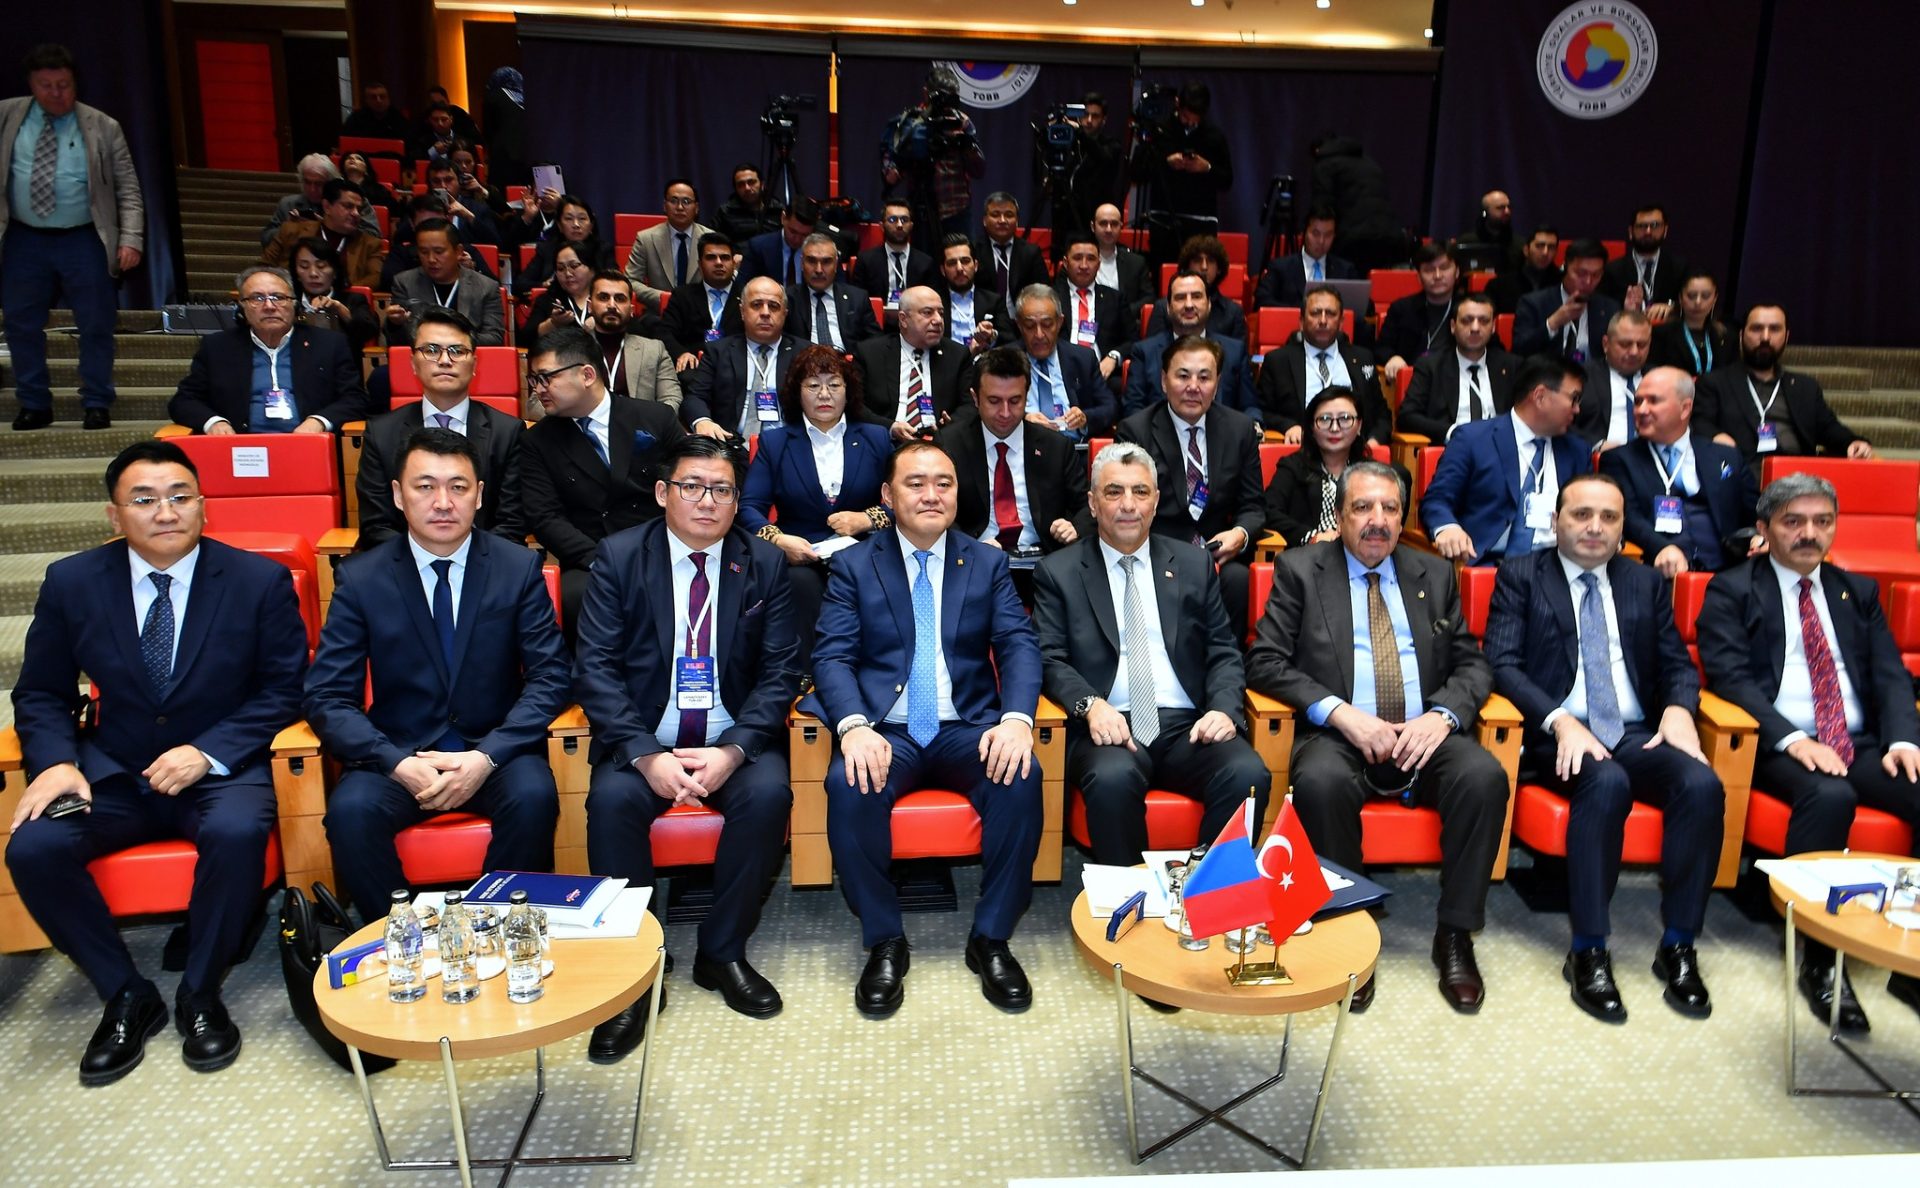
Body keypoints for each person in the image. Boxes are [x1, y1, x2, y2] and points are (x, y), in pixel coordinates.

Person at [7, 440, 306, 1084]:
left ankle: (201, 992)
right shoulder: (73, 581)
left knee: (236, 832)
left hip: (220, 770)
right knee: (32, 848)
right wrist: (56, 761)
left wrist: (208, 751)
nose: (165, 512)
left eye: (180, 497)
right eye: (144, 500)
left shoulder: (257, 580)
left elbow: (284, 688)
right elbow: (39, 691)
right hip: (112, 770)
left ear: (204, 507)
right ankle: (124, 993)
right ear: (115, 516)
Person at [1246, 459, 1506, 1013]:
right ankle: (1351, 935)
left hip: (1422, 731)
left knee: (1484, 776)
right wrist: (1340, 713)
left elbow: (1472, 666)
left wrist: (1441, 717)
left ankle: (1456, 933)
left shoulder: (1433, 573)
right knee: (1318, 781)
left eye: (1390, 508)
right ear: (1339, 516)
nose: (1377, 521)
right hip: (1342, 731)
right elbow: (1265, 661)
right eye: (1362, 507)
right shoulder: (1299, 569)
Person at [805, 440, 1044, 1016]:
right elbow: (831, 656)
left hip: (967, 726)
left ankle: (990, 937)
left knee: (1022, 775)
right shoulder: (853, 563)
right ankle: (885, 938)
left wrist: (1016, 719)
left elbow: (1017, 644)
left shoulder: (985, 561)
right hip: (887, 729)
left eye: (944, 482)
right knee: (849, 782)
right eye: (916, 483)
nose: (932, 494)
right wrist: (854, 726)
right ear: (888, 496)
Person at [576, 435, 801, 1047]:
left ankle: (721, 952)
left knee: (768, 796)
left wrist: (733, 750)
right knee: (612, 803)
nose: (707, 501)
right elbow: (594, 668)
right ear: (662, 493)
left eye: (722, 490)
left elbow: (781, 672)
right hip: (644, 736)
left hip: (732, 737)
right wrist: (646, 755)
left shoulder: (764, 564)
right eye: (692, 487)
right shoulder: (620, 557)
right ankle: (639, 970)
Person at [1484, 473, 1724, 1024]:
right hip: (1559, 737)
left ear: (1622, 529)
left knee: (1702, 784)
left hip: (1635, 732)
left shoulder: (1642, 582)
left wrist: (1681, 710)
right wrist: (1559, 720)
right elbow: (1502, 665)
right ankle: (1588, 948)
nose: (1595, 527)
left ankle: (1679, 945)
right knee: (1607, 779)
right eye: (1581, 514)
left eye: (1609, 518)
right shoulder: (1521, 575)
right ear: (1556, 521)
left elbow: (1675, 665)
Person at [307, 428, 568, 924]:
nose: (443, 502)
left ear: (480, 495)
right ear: (398, 496)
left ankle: (493, 928)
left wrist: (487, 756)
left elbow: (550, 675)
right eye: (425, 487)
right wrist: (395, 761)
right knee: (350, 813)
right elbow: (327, 696)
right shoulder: (362, 577)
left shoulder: (516, 567)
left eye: (458, 487)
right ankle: (401, 937)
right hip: (398, 753)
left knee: (534, 795)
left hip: (495, 750)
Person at [1696, 472, 1920, 1031]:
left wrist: (1902, 739)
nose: (1809, 534)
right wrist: (1796, 741)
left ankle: (1909, 963)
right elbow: (1730, 679)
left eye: (1822, 522)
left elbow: (1890, 674)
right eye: (1794, 522)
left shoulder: (1858, 591)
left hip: (1859, 739)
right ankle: (1820, 962)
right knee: (1829, 794)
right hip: (1780, 740)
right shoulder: (1732, 589)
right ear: (1766, 527)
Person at [1035, 439, 1269, 866]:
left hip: (1188, 726)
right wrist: (1090, 706)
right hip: (1107, 723)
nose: (1128, 505)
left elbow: (1223, 650)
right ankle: (1127, 905)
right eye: (1113, 492)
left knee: (1248, 773)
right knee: (1112, 777)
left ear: (1156, 501)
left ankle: (1210, 896)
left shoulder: (1194, 564)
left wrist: (1222, 710)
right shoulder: (1059, 571)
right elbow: (1049, 658)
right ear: (1091, 503)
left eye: (1140, 492)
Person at [2, 43, 144, 433]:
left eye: (63, 84)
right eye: (45, 85)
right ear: (31, 85)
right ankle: (33, 403)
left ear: (74, 82)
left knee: (96, 323)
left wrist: (130, 238)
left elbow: (127, 189)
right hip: (23, 238)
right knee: (20, 323)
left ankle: (96, 401)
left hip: (84, 238)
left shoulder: (103, 125)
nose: (56, 93)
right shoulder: (6, 115)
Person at [518, 326, 685, 627]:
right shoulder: (537, 441)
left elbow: (687, 485)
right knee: (573, 597)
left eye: (547, 378)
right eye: (533, 380)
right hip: (591, 558)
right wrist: (600, 560)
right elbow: (544, 517)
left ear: (586, 375)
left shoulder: (654, 417)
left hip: (662, 548)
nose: (538, 389)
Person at [740, 345, 892, 668]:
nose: (825, 394)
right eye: (813, 385)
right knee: (797, 585)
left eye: (834, 384)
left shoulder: (875, 438)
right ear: (798, 392)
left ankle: (874, 675)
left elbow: (906, 500)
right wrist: (779, 540)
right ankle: (807, 681)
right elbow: (749, 507)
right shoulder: (776, 442)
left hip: (864, 552)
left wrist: (868, 518)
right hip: (801, 558)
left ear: (847, 390)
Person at [1115, 336, 1263, 642]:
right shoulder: (1136, 430)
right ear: (1164, 380)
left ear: (1218, 383)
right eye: (1183, 375)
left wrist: (1240, 534)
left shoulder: (1239, 430)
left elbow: (1253, 505)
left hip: (1218, 552)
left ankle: (1226, 669)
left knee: (1238, 580)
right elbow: (1126, 507)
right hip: (1158, 550)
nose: (1193, 386)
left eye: (1204, 377)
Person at [353, 308, 525, 551]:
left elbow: (512, 523)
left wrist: (466, 561)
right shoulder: (381, 433)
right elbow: (376, 526)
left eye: (457, 351)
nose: (445, 360)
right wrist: (424, 560)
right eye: (432, 350)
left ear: (474, 364)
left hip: (485, 566)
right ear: (413, 363)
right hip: (407, 571)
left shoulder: (507, 432)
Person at [936, 345, 1091, 605]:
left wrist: (1075, 526)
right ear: (975, 398)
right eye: (994, 401)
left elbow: (1087, 507)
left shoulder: (1055, 446)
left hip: (1045, 563)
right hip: (975, 561)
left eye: (1015, 401)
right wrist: (969, 546)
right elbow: (938, 509)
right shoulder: (950, 443)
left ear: (1026, 395)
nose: (1006, 413)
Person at [1420, 354, 1590, 566]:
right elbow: (1437, 500)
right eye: (1573, 398)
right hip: (1491, 565)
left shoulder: (1576, 451)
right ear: (1540, 396)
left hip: (1558, 569)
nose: (1577, 409)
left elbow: (1591, 509)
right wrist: (1448, 527)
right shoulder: (1473, 440)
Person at [1595, 366, 1758, 577]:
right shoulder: (1619, 459)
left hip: (1728, 572)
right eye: (1638, 401)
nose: (1641, 410)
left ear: (1685, 408)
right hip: (1661, 573)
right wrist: (1660, 547)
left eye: (1653, 401)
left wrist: (1758, 536)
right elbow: (1627, 516)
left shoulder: (1725, 456)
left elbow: (1755, 511)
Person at [168, 266, 369, 434]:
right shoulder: (217, 347)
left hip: (308, 446)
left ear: (294, 304)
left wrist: (319, 421)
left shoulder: (329, 344)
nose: (269, 306)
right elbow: (184, 400)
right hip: (243, 452)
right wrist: (214, 422)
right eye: (257, 298)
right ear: (242, 308)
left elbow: (355, 398)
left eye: (278, 297)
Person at [1694, 303, 1871, 470]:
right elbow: (1699, 423)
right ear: (1741, 336)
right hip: (1741, 473)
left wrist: (1853, 442)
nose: (1765, 337)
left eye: (1774, 329)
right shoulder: (1715, 383)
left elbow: (1829, 428)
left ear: (1786, 337)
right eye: (1757, 329)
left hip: (1796, 476)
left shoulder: (1805, 387)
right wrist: (1716, 437)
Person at [1256, 284, 1386, 445]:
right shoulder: (1278, 361)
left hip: (1356, 451)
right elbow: (1261, 411)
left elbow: (1382, 414)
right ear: (1302, 321)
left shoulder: (1363, 358)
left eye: (1331, 314)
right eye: (1316, 313)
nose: (1323, 320)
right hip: (1303, 451)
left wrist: (1374, 441)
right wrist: (1288, 426)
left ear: (1341, 322)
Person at [1264, 387, 1390, 547]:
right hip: (1309, 558)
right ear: (1311, 428)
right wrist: (1311, 536)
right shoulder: (1293, 466)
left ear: (1359, 425)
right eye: (1324, 419)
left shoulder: (1372, 473)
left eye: (1345, 418)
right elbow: (1269, 510)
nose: (1335, 428)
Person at [1121, 273, 1258, 420]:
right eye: (1180, 298)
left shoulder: (1234, 351)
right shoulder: (1144, 352)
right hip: (1160, 439)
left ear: (1209, 304)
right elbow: (1133, 409)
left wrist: (1254, 423)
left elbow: (1249, 406)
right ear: (1168, 307)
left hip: (1223, 438)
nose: (1189, 305)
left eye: (1196, 296)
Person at [682, 277, 803, 441]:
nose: (765, 312)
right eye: (756, 305)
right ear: (742, 311)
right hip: (731, 444)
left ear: (785, 313)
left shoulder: (804, 353)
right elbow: (695, 397)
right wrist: (703, 421)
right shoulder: (718, 351)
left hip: (789, 445)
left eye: (774, 306)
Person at [881, 67, 986, 249]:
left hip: (958, 210)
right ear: (925, 93)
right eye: (940, 97)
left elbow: (979, 170)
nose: (945, 104)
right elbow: (890, 175)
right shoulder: (909, 124)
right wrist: (912, 150)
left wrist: (965, 144)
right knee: (924, 269)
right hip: (922, 211)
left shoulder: (961, 122)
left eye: (951, 98)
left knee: (963, 265)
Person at [1129, 82, 1232, 266]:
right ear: (1177, 104)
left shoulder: (1214, 136)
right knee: (1164, 273)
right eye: (1186, 117)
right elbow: (1137, 172)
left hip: (1201, 221)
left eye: (1195, 119)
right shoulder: (1159, 130)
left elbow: (1227, 180)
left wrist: (1206, 167)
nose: (1190, 122)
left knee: (1200, 271)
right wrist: (1166, 162)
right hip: (1163, 217)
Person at [1396, 292, 1518, 444]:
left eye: (1484, 321)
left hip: (1499, 450)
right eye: (1467, 321)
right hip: (1452, 450)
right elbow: (1407, 416)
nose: (1475, 327)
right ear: (1453, 326)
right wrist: (1451, 432)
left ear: (1493, 327)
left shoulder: (1512, 366)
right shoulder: (1431, 366)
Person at [854, 284, 972, 438]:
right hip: (887, 441)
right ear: (903, 319)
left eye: (941, 313)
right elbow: (856, 406)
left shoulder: (957, 355)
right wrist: (890, 427)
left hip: (941, 442)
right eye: (928, 313)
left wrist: (950, 425)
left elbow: (970, 405)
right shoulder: (870, 353)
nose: (937, 320)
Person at [1011, 284, 1114, 438]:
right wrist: (1022, 419)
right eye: (1030, 326)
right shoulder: (1004, 361)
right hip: (1022, 449)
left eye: (1047, 325)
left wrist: (1084, 417)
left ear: (1059, 322)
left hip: (1074, 451)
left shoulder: (1083, 358)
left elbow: (1110, 407)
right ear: (1019, 325)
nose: (1039, 334)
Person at [385, 218, 507, 347]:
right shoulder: (404, 282)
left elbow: (494, 338)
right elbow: (396, 342)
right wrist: (395, 324)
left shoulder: (486, 287)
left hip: (468, 361)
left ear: (458, 252)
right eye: (424, 252)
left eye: (439, 252)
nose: (431, 259)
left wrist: (452, 341)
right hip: (422, 361)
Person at [1512, 238, 1623, 362]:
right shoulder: (1534, 303)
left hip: (1593, 377)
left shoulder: (1610, 308)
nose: (1588, 281)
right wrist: (1553, 323)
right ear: (1565, 266)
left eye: (1596, 275)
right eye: (1581, 273)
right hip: (1548, 375)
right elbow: (1519, 349)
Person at [261, 178, 384, 289]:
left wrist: (340, 292)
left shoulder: (370, 244)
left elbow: (376, 277)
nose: (356, 213)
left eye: (359, 209)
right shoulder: (291, 231)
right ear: (327, 207)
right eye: (348, 206)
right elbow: (263, 267)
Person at [1049, 231, 1132, 389]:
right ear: (1065, 263)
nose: (1084, 265)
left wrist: (1113, 357)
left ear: (1099, 264)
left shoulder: (1115, 299)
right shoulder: (1050, 297)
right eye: (1077, 258)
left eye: (1091, 259)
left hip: (1103, 377)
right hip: (1059, 374)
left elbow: (1132, 340)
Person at [1307, 135, 1402, 271]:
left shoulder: (1324, 164)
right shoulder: (1370, 163)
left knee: (1346, 286)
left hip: (1352, 239)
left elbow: (1322, 209)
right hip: (1390, 235)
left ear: (1317, 150)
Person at [585, 271, 681, 407]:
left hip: (640, 425)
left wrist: (650, 424)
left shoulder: (654, 350)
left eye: (620, 299)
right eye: (603, 297)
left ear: (631, 310)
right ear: (589, 306)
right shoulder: (570, 349)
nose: (612, 305)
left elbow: (672, 398)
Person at [1378, 243, 1463, 382]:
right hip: (1413, 383)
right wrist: (1393, 357)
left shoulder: (1472, 309)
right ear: (1418, 277)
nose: (1437, 275)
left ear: (1457, 272)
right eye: (1429, 270)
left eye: (1444, 268)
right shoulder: (1402, 308)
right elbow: (1381, 348)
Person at [625, 178, 712, 314]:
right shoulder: (646, 239)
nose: (680, 207)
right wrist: (663, 298)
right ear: (664, 206)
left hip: (702, 313)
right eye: (674, 201)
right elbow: (630, 281)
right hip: (659, 314)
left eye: (686, 202)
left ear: (697, 208)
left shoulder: (710, 239)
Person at [662, 231, 745, 369]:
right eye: (711, 257)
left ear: (733, 263)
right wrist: (681, 353)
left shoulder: (748, 297)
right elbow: (665, 332)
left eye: (724, 257)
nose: (718, 263)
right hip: (693, 366)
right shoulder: (682, 295)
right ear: (700, 264)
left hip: (737, 366)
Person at [1143, 235, 1248, 343]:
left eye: (1210, 261)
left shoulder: (1233, 312)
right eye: (1197, 260)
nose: (1204, 267)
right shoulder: (1163, 307)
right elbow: (1152, 351)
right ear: (1187, 266)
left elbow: (1238, 355)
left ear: (1219, 269)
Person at [787, 232, 881, 352]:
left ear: (836, 264)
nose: (819, 270)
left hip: (848, 364)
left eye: (826, 262)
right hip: (804, 364)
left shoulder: (857, 298)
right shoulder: (789, 299)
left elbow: (875, 341)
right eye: (811, 261)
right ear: (802, 263)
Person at [1253, 205, 1359, 309]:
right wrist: (1304, 312)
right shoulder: (1281, 268)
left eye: (1328, 235)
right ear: (1304, 232)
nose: (1321, 241)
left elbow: (1367, 308)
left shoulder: (1346, 270)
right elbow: (1261, 300)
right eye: (1316, 234)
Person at [1575, 310, 1653, 450]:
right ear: (1606, 344)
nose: (1634, 352)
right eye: (1625, 344)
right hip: (1600, 461)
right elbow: (1561, 424)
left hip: (1652, 461)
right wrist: (1596, 445)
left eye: (1641, 345)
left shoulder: (1660, 378)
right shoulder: (1581, 376)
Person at [260, 153, 377, 245]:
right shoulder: (288, 204)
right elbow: (265, 238)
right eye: (307, 182)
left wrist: (331, 227)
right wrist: (289, 228)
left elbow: (373, 236)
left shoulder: (354, 203)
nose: (312, 189)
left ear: (331, 182)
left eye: (319, 184)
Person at [288, 236, 379, 354]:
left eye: (321, 266)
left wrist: (340, 309)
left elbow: (368, 332)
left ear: (335, 271)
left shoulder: (353, 300)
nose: (313, 274)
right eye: (304, 266)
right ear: (296, 273)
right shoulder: (288, 303)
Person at [515, 195, 613, 299]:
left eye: (582, 219)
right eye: (569, 219)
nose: (576, 224)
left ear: (591, 225)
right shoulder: (547, 249)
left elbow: (613, 282)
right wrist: (543, 285)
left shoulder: (603, 250)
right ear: (560, 225)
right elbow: (519, 284)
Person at [1600, 204, 1687, 317]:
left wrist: (1672, 308)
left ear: (1665, 230)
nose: (1648, 231)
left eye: (1655, 225)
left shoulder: (1679, 268)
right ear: (1631, 232)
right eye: (1641, 226)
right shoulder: (1612, 271)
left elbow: (1690, 303)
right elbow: (1603, 310)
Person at [852, 198, 939, 310]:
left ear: (911, 226)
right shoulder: (866, 260)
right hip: (877, 322)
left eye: (904, 220)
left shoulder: (925, 263)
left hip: (914, 322)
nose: (899, 225)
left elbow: (931, 302)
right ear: (882, 226)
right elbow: (857, 300)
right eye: (893, 219)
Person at [975, 192, 1048, 325]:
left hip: (1021, 323)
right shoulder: (974, 251)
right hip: (983, 322)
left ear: (1017, 221)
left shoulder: (1030, 252)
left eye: (1009, 215)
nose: (1002, 220)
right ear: (984, 220)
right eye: (995, 215)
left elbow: (1042, 292)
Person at [1647, 272, 1736, 378]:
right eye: (1691, 296)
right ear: (1680, 298)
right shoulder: (1660, 334)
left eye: (1706, 296)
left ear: (1715, 299)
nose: (1698, 302)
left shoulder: (1725, 336)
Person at [935, 233, 999, 353]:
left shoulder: (993, 301)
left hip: (984, 364)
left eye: (965, 261)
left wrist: (992, 337)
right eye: (952, 263)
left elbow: (1009, 340)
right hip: (946, 365)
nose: (959, 268)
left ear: (975, 266)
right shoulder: (934, 303)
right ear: (943, 270)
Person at [740, 196, 818, 289]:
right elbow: (742, 288)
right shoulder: (758, 247)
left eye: (805, 235)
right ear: (783, 218)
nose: (797, 239)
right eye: (793, 231)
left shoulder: (822, 250)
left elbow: (839, 289)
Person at [1090, 203, 1154, 315]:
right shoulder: (1079, 260)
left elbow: (1149, 298)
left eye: (1114, 224)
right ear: (1093, 226)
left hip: (1125, 326)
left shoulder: (1136, 263)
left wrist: (1121, 313)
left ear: (1121, 227)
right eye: (1103, 223)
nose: (1109, 229)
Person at [526, 240, 597, 340]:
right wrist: (553, 324)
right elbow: (525, 338)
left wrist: (601, 323)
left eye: (574, 266)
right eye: (560, 268)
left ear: (592, 269)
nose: (568, 273)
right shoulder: (548, 300)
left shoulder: (606, 297)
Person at [417, 159, 499, 247]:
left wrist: (469, 217)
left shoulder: (477, 208)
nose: (443, 186)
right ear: (429, 185)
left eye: (448, 180)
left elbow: (496, 243)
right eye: (436, 181)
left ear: (459, 182)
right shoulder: (421, 209)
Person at [1484, 224, 1561, 315]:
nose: (1545, 253)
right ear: (1526, 250)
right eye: (1539, 246)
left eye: (1551, 247)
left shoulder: (1562, 284)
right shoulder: (1499, 286)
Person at [714, 161, 784, 244]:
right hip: (740, 255)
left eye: (751, 182)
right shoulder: (726, 212)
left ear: (762, 185)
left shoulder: (778, 210)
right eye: (741, 184)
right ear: (736, 189)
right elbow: (713, 242)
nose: (747, 188)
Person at [1453, 189, 1513, 268]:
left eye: (1508, 207)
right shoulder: (1465, 243)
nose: (1507, 211)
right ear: (1485, 213)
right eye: (1500, 208)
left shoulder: (1518, 245)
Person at [341, 82, 408, 141]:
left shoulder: (398, 119)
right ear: (367, 100)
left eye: (382, 96)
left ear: (388, 99)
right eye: (373, 97)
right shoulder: (356, 119)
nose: (379, 101)